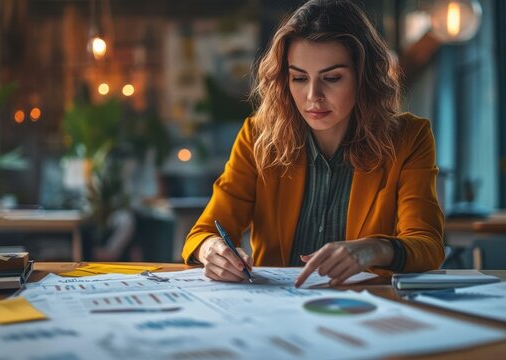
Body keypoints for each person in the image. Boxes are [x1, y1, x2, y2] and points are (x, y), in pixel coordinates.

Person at [182, 0, 444, 287]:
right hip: (277, 309)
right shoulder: (258, 137)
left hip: (364, 308)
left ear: (363, 76)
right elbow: (204, 232)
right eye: (299, 78)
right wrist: (211, 250)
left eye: (332, 78)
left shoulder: (409, 138)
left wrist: (373, 248)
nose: (312, 96)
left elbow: (428, 245)